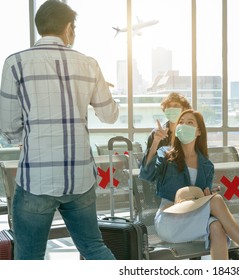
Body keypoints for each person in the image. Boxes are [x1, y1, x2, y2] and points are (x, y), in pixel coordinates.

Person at [0, 0, 118, 260]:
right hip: (79, 179)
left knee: (30, 257)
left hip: (36, 179)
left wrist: (30, 137)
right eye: (73, 27)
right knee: (94, 247)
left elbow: (7, 127)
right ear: (68, 28)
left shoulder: (15, 63)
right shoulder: (89, 64)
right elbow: (109, 115)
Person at [139, 109, 239, 260]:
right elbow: (146, 175)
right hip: (169, 219)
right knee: (216, 201)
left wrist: (206, 196)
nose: (184, 126)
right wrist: (155, 141)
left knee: (216, 226)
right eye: (181, 123)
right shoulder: (165, 154)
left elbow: (200, 199)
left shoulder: (207, 165)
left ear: (198, 132)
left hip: (193, 216)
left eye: (190, 122)